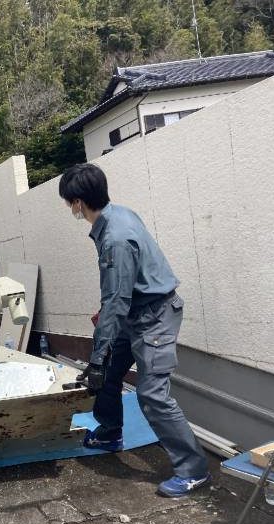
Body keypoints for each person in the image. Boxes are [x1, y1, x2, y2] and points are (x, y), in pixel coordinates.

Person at [59, 163, 210, 498]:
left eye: (70, 202)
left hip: (155, 317)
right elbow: (120, 292)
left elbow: (115, 299)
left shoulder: (114, 238)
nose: (70, 208)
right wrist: (102, 359)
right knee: (110, 375)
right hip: (134, 312)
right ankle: (111, 432)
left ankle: (194, 470)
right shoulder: (117, 215)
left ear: (79, 202)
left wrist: (95, 358)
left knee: (152, 394)